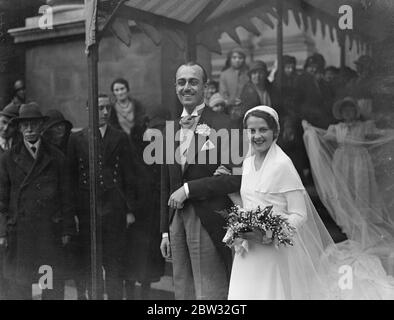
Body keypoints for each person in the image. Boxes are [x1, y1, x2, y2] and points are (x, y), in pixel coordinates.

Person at [217, 105, 394, 299]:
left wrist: (270, 232)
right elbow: (250, 204)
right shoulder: (248, 163)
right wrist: (231, 192)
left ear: (275, 132)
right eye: (252, 130)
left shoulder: (282, 165)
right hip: (249, 250)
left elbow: (300, 214)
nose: (257, 135)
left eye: (263, 130)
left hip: (273, 251)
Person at [160, 61, 242, 300]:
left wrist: (188, 189)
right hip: (177, 220)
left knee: (210, 290)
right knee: (182, 289)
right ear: (175, 87)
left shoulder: (225, 124)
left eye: (193, 82)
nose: (187, 87)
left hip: (208, 217)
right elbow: (164, 185)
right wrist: (165, 231)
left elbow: (236, 178)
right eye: (181, 82)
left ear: (205, 87)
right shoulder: (169, 129)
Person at [0, 102, 76, 300]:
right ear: (19, 128)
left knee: (50, 286)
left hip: (48, 233)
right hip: (20, 233)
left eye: (34, 124)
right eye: (25, 125)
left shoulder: (57, 157)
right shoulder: (8, 159)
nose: (30, 129)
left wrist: (67, 229)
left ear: (41, 126)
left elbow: (67, 197)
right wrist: (2, 231)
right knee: (21, 287)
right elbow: (2, 199)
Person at [67, 94, 138, 300]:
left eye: (108, 108)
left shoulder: (120, 137)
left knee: (114, 265)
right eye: (100, 108)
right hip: (87, 212)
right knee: (91, 265)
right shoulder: (77, 138)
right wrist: (73, 214)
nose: (105, 112)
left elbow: (129, 176)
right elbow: (70, 179)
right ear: (89, 109)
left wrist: (130, 210)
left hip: (114, 211)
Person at [302, 97, 394, 244]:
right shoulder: (336, 128)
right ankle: (351, 225)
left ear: (355, 111)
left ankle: (364, 226)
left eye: (351, 109)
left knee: (361, 190)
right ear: (341, 113)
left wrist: (389, 132)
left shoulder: (364, 126)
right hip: (342, 160)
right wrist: (310, 130)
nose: (348, 113)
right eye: (345, 111)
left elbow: (378, 133)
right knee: (344, 191)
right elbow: (322, 136)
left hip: (360, 160)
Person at [109, 78, 165, 299]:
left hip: (150, 210)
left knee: (148, 259)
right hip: (135, 210)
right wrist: (129, 209)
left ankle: (145, 293)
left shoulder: (160, 146)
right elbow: (126, 177)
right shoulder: (131, 143)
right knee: (131, 257)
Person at [0, 103, 19, 300]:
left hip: (12, 217)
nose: (6, 129)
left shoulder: (18, 148)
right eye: (3, 122)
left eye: (11, 125)